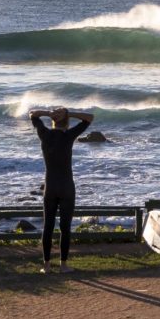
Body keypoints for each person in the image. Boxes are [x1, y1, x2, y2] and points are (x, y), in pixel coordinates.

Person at [29, 106, 94, 273]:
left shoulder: (44, 134)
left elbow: (32, 114)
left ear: (52, 121)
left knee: (48, 227)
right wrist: (68, 114)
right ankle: (64, 265)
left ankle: (46, 266)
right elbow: (89, 117)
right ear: (67, 122)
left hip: (50, 187)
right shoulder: (69, 135)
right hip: (66, 187)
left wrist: (48, 113)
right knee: (65, 228)